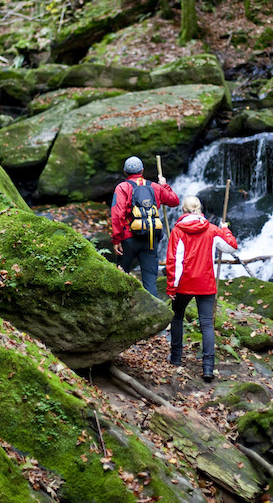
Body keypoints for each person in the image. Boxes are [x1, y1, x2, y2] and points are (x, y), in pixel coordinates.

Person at [165, 196, 237, 382]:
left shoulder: (178, 231)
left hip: (185, 284)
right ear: (199, 210)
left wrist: (172, 287)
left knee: (177, 317)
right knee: (206, 324)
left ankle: (175, 358)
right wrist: (225, 229)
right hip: (206, 283)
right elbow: (231, 247)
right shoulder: (213, 230)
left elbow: (174, 261)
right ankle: (207, 367)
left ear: (183, 210)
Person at [111, 156, 180, 297]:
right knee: (150, 281)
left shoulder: (122, 188)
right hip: (150, 239)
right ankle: (155, 314)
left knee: (121, 275)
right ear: (142, 170)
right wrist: (164, 185)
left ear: (125, 171)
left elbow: (117, 214)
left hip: (128, 239)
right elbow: (174, 201)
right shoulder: (154, 187)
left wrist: (116, 239)